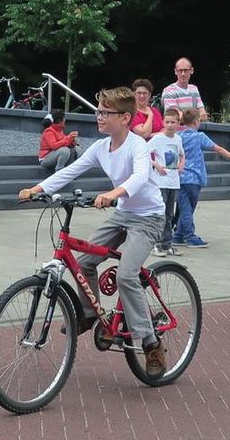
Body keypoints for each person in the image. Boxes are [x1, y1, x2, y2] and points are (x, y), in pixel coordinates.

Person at [17, 87, 169, 378]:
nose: (98, 116)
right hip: (123, 213)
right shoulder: (101, 147)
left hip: (148, 218)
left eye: (105, 112)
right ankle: (89, 315)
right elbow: (71, 171)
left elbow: (139, 177)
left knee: (126, 274)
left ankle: (150, 342)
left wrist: (114, 193)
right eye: (98, 111)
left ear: (125, 117)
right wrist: (38, 189)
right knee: (84, 262)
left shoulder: (137, 146)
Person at [173, 108, 230, 248]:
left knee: (184, 208)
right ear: (196, 122)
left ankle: (178, 235)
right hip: (194, 178)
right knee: (188, 209)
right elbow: (218, 149)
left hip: (179, 177)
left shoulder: (178, 136)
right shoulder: (199, 137)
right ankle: (190, 237)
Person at [148, 108, 185, 257]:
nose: (170, 125)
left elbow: (182, 154)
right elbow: (144, 153)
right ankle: (156, 244)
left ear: (178, 123)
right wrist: (155, 164)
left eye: (173, 122)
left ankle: (167, 244)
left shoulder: (178, 139)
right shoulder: (157, 139)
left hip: (173, 181)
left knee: (169, 214)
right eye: (167, 122)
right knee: (160, 213)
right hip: (161, 181)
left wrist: (182, 164)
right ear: (163, 122)